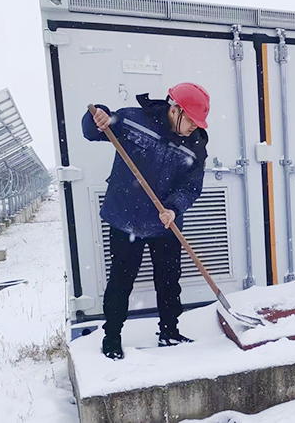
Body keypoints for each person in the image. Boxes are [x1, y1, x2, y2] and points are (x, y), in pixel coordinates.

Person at [82, 82, 210, 359]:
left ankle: (170, 332)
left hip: (165, 223)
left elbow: (191, 187)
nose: (194, 127)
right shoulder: (133, 120)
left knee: (169, 282)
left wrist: (174, 208)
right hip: (126, 219)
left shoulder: (197, 145)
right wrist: (98, 115)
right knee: (121, 281)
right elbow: (92, 131)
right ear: (175, 110)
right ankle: (112, 338)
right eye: (191, 120)